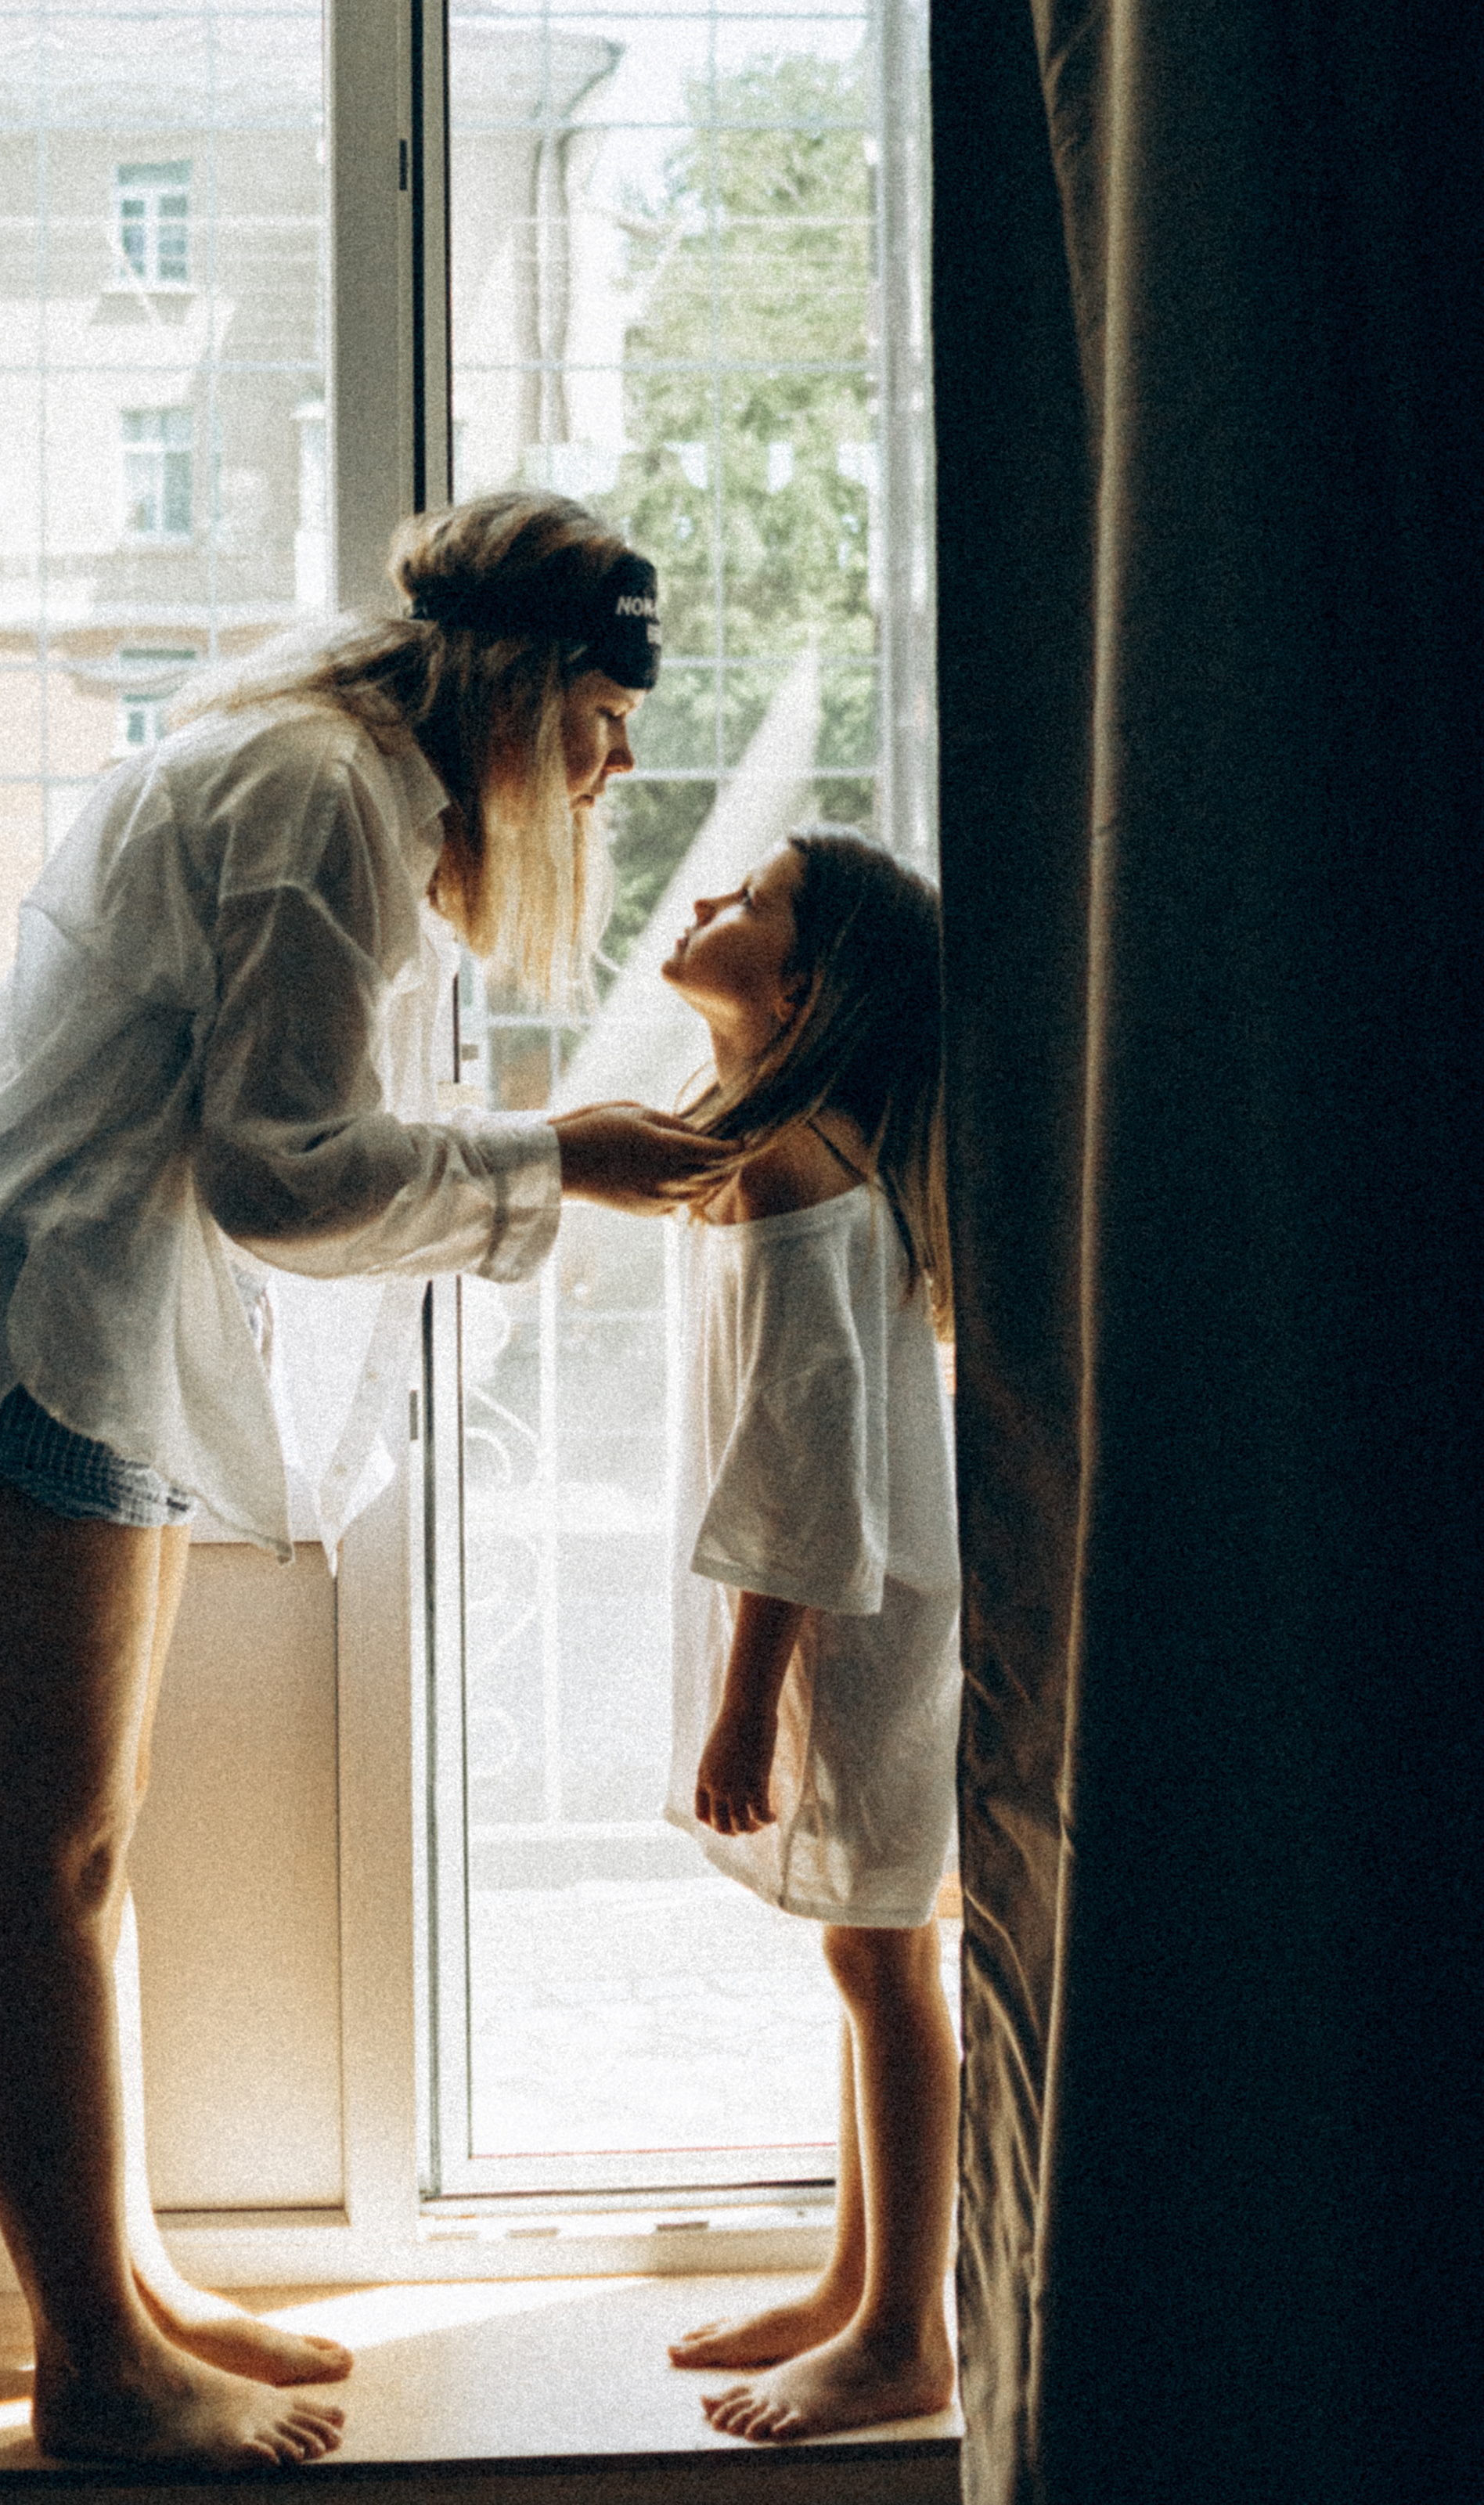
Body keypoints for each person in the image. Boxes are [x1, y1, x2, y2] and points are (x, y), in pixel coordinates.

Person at [0, 491, 723, 2471]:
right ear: (521, 690)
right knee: (45, 1859)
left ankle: (126, 2280)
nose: (615, 767)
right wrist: (554, 1160)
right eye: (603, 720)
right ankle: (92, 2359)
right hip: (30, 1322)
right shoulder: (325, 795)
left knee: (84, 1851)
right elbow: (279, 1170)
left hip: (79, 1319)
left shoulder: (312, 766)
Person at [651, 828, 961, 2439]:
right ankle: (854, 2288)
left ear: (802, 982)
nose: (704, 900)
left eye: (748, 899)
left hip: (854, 1619)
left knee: (878, 1955)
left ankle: (901, 2331)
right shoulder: (799, 1145)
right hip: (866, 1601)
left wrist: (739, 1700)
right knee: (871, 1946)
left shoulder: (793, 1167)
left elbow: (796, 1456)